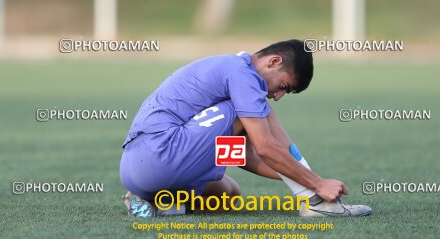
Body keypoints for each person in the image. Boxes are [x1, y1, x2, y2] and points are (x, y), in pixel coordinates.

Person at [119, 39, 371, 217]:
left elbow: (241, 155)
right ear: (274, 61)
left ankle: (152, 203)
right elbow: (264, 147)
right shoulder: (243, 75)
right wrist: (317, 184)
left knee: (227, 195)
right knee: (258, 110)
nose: (279, 95)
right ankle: (313, 201)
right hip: (161, 152)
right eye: (284, 86)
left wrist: (305, 177)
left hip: (138, 170)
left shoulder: (233, 68)